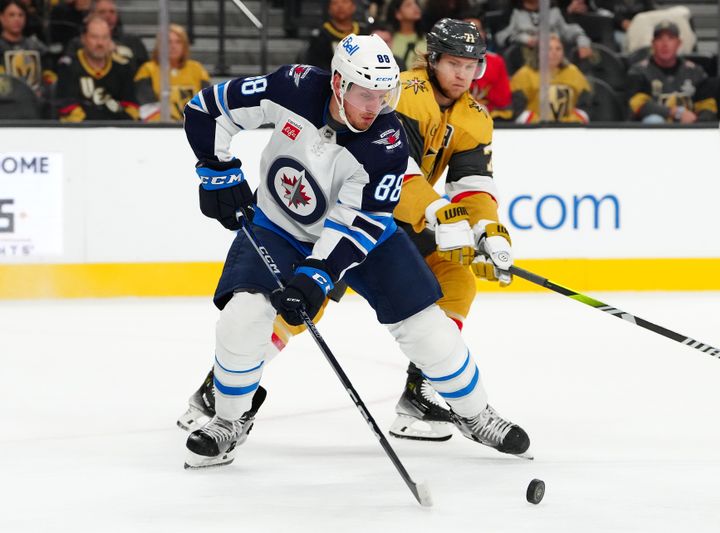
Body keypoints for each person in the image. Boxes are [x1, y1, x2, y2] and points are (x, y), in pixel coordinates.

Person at [181, 34, 531, 468]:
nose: (375, 107)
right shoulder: (292, 86)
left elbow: (358, 223)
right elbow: (208, 108)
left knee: (428, 328)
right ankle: (229, 420)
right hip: (278, 224)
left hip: (369, 238)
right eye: (366, 94)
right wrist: (216, 171)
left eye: (384, 96)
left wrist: (317, 275)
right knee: (243, 316)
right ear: (339, 84)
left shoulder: (386, 142)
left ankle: (476, 414)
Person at [384, 18, 516, 441]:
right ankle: (220, 393)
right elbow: (390, 172)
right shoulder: (405, 92)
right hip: (351, 211)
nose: (463, 75)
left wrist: (488, 228)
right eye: (455, 63)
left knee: (457, 281)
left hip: (406, 218)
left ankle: (417, 396)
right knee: (303, 302)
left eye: (472, 65)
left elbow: (471, 184)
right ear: (434, 59)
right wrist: (440, 213)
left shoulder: (473, 116)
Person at [626, 21, 716, 124]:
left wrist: (698, 121)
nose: (665, 44)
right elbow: (638, 105)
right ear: (653, 43)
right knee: (654, 120)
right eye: (660, 39)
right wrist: (676, 112)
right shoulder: (639, 71)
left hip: (689, 129)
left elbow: (708, 105)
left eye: (670, 39)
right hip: (650, 133)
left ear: (679, 43)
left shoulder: (695, 71)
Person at [55, 15, 138, 121]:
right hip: (80, 132)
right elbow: (67, 108)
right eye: (94, 37)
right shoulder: (68, 67)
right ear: (83, 38)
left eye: (105, 37)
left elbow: (132, 107)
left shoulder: (122, 68)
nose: (100, 43)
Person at [134, 24, 209, 122]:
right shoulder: (147, 70)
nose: (173, 46)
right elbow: (147, 108)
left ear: (185, 45)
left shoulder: (197, 69)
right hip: (161, 128)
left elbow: (207, 104)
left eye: (178, 42)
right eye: (168, 42)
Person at [510, 34, 591, 123]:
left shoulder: (573, 72)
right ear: (539, 52)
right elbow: (518, 110)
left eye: (558, 49)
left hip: (570, 128)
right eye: (549, 49)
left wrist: (569, 124)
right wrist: (541, 124)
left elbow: (585, 107)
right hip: (534, 129)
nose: (554, 52)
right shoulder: (524, 74)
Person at [63, 0, 149, 72]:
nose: (108, 16)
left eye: (112, 12)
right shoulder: (78, 43)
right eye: (102, 12)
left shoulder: (133, 41)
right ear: (91, 15)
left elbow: (143, 73)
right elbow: (68, 70)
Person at [496, 0, 592, 60]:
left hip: (555, 63)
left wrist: (583, 44)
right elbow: (500, 37)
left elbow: (572, 31)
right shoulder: (512, 13)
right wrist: (524, 39)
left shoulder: (555, 10)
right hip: (523, 63)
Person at [463, 14, 514, 121]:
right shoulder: (448, 61)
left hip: (492, 118)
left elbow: (503, 100)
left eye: (477, 30)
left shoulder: (496, 61)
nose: (472, 34)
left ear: (485, 34)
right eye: (466, 29)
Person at [0, 0, 54, 97]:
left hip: (37, 103)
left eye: (21, 15)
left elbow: (49, 75)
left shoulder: (36, 46)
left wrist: (44, 89)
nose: (17, 19)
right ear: (2, 18)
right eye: (11, 15)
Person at [304, 0, 364, 69]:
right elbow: (316, 65)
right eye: (335, 3)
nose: (340, 6)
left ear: (353, 7)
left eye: (345, 2)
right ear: (329, 9)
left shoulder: (364, 33)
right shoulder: (320, 36)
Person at [386, 0, 425, 70]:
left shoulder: (426, 39)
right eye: (408, 5)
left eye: (416, 3)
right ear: (398, 14)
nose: (415, 7)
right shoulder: (388, 38)